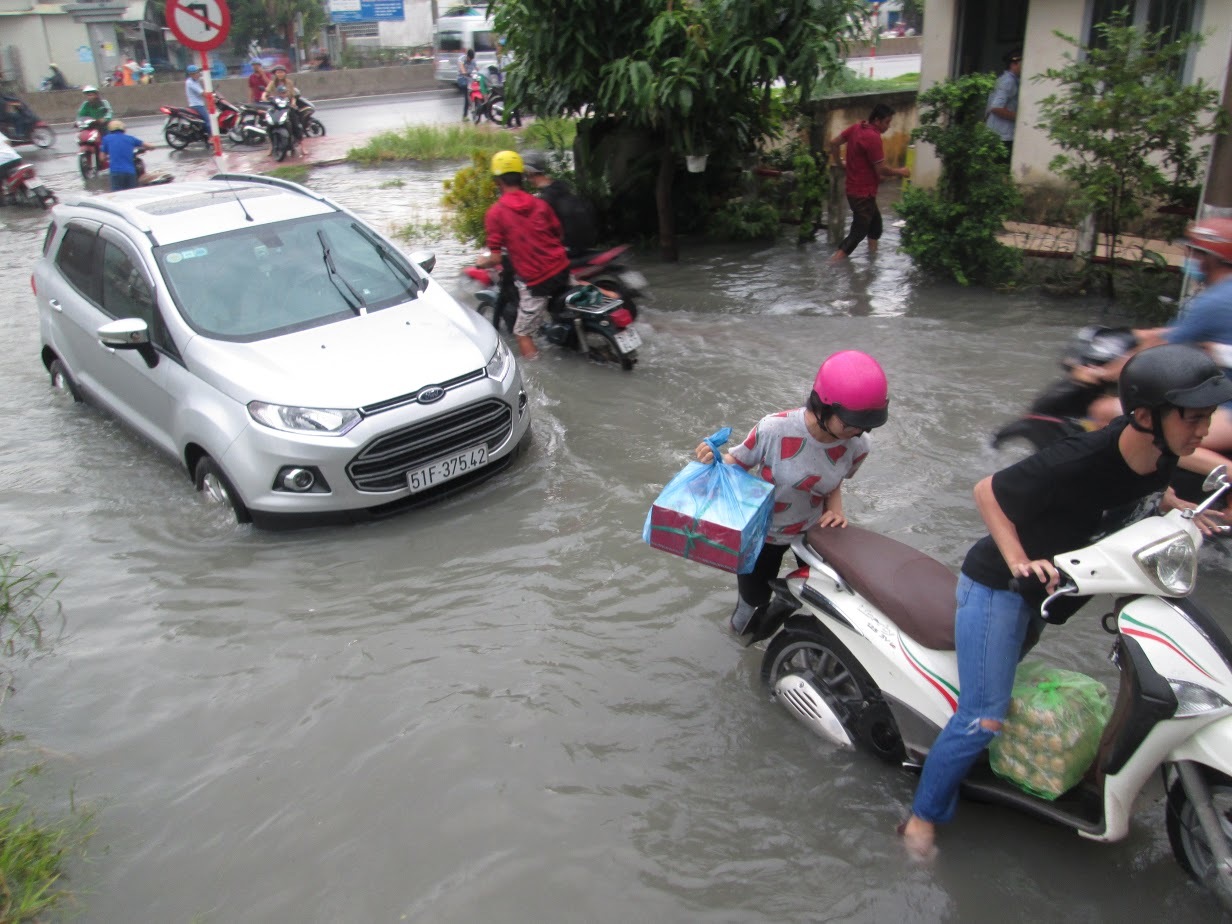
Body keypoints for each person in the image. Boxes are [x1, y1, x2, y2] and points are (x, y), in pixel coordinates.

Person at [898, 343, 1232, 859]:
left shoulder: (1161, 450)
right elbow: (988, 490)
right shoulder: (1082, 459)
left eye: (1207, 418)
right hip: (1000, 587)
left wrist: (1182, 507)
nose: (1203, 431)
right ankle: (921, 816)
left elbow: (1150, 487)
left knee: (1006, 679)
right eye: (1193, 419)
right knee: (984, 716)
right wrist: (1017, 562)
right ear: (1145, 416)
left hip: (1051, 594)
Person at [695, 350, 889, 638]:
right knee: (752, 604)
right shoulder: (775, 429)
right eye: (849, 424)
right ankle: (739, 650)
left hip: (813, 531)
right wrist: (712, 457)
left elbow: (835, 479)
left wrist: (836, 508)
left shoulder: (859, 445)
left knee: (826, 603)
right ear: (823, 406)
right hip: (764, 531)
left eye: (864, 426)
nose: (856, 432)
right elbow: (738, 463)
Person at [1135, 218, 1232, 456]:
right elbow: (1183, 334)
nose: (1190, 260)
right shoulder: (1221, 295)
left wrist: (1103, 372)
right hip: (1219, 398)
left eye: (1195, 253)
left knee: (1147, 436)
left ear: (1210, 258)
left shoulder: (1215, 300)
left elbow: (1161, 348)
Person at [476, 150, 572, 359]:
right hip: (562, 267)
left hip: (538, 280)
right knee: (578, 288)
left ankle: (537, 376)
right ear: (522, 177)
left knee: (521, 333)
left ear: (498, 181)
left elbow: (496, 258)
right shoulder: (540, 203)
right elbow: (557, 232)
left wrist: (481, 263)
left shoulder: (496, 213)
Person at [827, 103, 910, 264]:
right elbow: (881, 169)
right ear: (877, 121)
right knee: (858, 232)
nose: (888, 126)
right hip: (862, 194)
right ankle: (832, 264)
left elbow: (834, 143)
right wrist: (900, 172)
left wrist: (839, 163)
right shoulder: (873, 138)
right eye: (887, 122)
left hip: (858, 190)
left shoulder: (857, 127)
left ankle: (872, 261)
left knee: (875, 227)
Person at [522, 150, 599, 259]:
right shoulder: (561, 186)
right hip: (584, 243)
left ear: (530, 172)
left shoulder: (546, 199)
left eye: (525, 173)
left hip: (566, 248)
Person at [986, 49, 1022, 161]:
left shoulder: (1007, 80)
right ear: (1013, 64)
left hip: (999, 133)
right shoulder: (1008, 81)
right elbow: (996, 108)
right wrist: (1020, 118)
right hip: (1002, 135)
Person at [98, 119, 148, 192]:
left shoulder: (106, 139)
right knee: (132, 194)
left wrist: (110, 157)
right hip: (130, 172)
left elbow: (102, 158)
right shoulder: (130, 138)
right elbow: (150, 146)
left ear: (110, 130)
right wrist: (149, 148)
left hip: (116, 172)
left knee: (118, 196)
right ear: (123, 129)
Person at [184, 65, 209, 129]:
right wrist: (211, 97)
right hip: (197, 105)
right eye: (195, 73)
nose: (198, 74)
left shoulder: (195, 80)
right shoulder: (190, 82)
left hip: (199, 104)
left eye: (198, 72)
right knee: (208, 120)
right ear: (191, 74)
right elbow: (202, 93)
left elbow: (205, 78)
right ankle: (211, 136)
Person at [457, 48, 477, 120]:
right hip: (462, 79)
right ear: (467, 56)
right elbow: (461, 67)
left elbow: (477, 69)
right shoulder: (462, 59)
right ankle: (464, 116)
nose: (470, 60)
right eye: (469, 58)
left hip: (470, 80)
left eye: (472, 59)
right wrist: (464, 72)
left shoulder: (473, 61)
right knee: (466, 95)